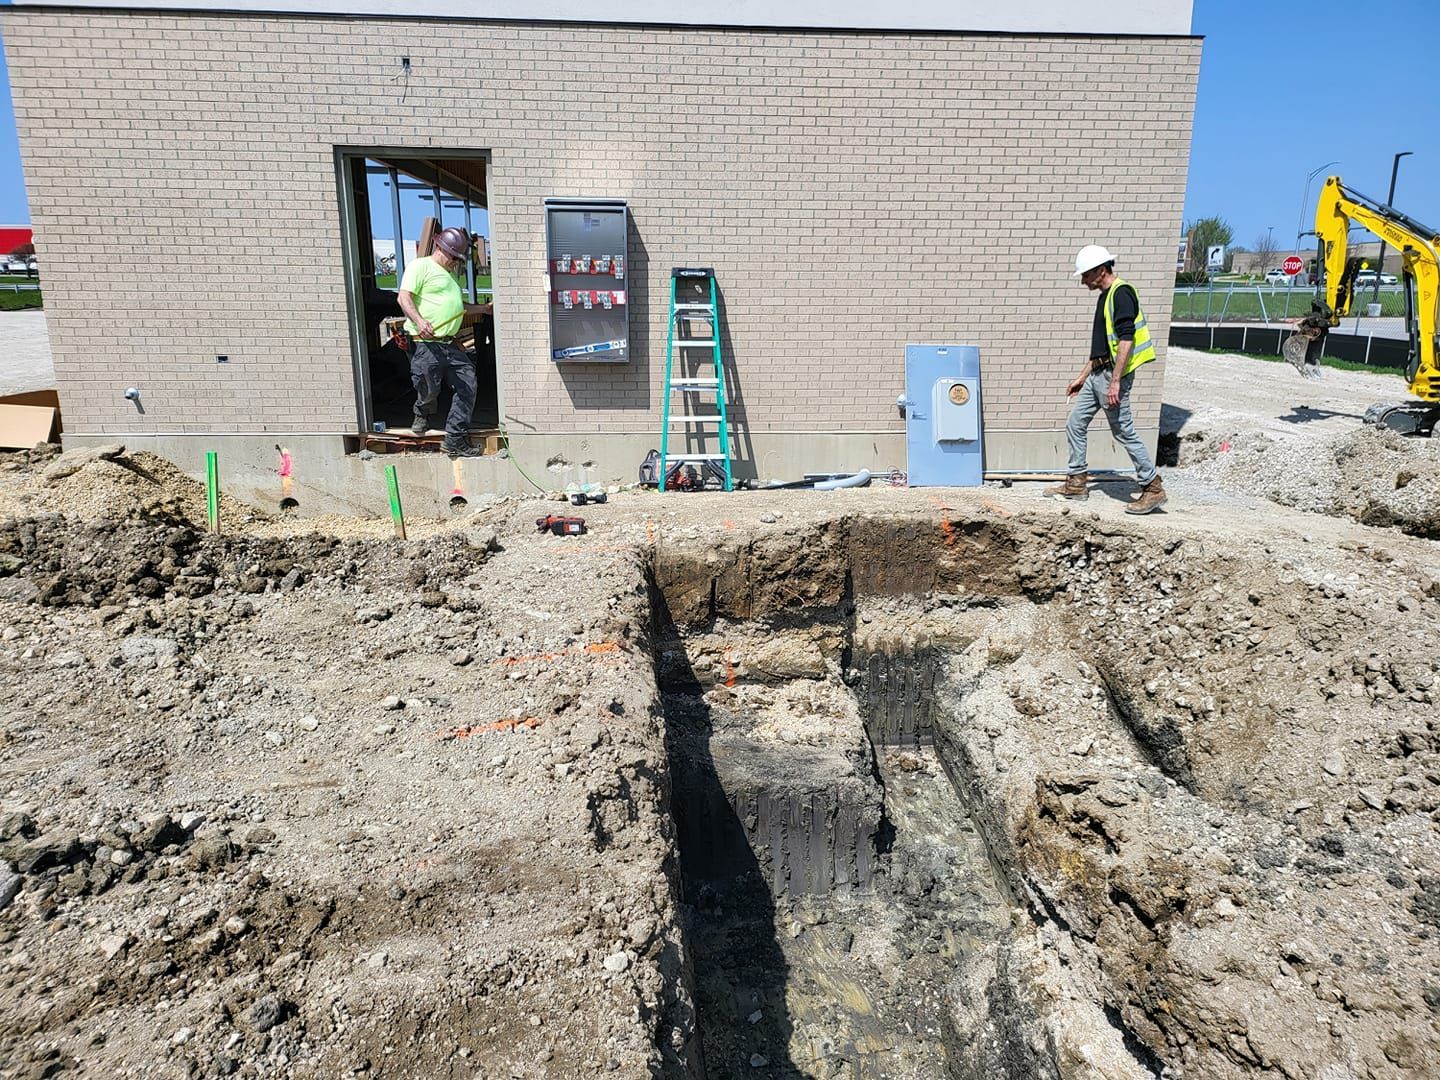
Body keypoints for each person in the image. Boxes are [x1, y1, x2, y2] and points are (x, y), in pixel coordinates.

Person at [1047, 245, 1167, 514]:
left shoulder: (1122, 294)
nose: (1083, 281)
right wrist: (1081, 377)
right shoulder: (1105, 297)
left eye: (1085, 275)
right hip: (1097, 375)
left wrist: (1115, 382)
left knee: (1123, 431)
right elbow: (1102, 348)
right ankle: (1076, 483)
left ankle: (1152, 487)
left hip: (1112, 377)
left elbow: (1126, 340)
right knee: (1075, 423)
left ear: (1101, 270)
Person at [397, 226, 492, 458]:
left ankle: (455, 440)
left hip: (449, 343)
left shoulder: (450, 276)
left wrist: (483, 309)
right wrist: (419, 321)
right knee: (429, 387)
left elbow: (458, 307)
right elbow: (404, 297)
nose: (456, 262)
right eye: (454, 257)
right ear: (441, 248)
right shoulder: (420, 267)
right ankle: (422, 412)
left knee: (467, 384)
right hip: (425, 342)